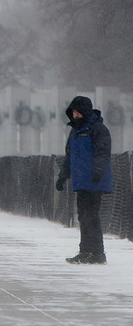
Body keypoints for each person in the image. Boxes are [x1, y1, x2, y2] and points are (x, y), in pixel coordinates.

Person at [56, 95, 113, 264]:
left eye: (78, 112)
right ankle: (85, 251)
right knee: (83, 216)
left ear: (85, 112)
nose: (75, 116)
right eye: (73, 112)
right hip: (81, 182)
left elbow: (103, 152)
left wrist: (98, 170)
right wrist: (62, 176)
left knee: (91, 216)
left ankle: (97, 253)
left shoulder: (98, 129)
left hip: (95, 182)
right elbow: (69, 156)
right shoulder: (75, 131)